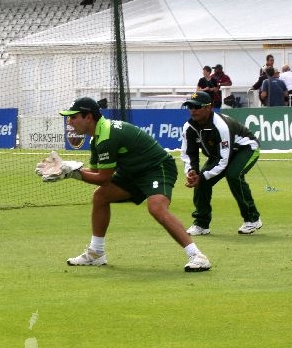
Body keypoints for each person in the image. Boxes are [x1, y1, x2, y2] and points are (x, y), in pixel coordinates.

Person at [56, 97, 211, 272]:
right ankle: (96, 253)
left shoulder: (107, 135)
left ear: (88, 117)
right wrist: (68, 169)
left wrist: (72, 173)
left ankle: (197, 256)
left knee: (156, 208)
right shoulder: (96, 138)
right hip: (132, 173)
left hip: (157, 168)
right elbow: (96, 172)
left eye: (73, 117)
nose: (69, 121)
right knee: (100, 196)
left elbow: (103, 179)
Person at [180, 91, 262, 236]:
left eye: (197, 107)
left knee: (233, 175)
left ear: (208, 107)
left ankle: (252, 218)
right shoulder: (189, 127)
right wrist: (191, 171)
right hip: (220, 154)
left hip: (246, 148)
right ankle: (201, 224)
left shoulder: (221, 127)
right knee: (201, 180)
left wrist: (203, 176)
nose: (193, 110)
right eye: (190, 107)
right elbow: (188, 153)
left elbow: (224, 160)